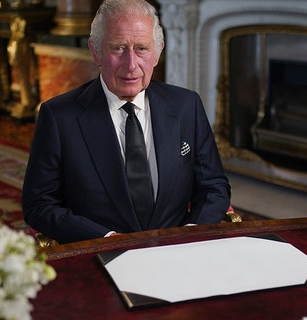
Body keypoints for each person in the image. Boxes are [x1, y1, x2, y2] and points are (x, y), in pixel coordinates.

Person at [22, 0, 231, 243]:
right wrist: (106, 238)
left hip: (178, 252)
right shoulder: (59, 116)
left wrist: (190, 233)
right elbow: (39, 204)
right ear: (96, 51)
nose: (131, 65)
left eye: (141, 48)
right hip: (99, 256)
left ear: (158, 52)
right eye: (118, 48)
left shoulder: (187, 106)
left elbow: (214, 186)